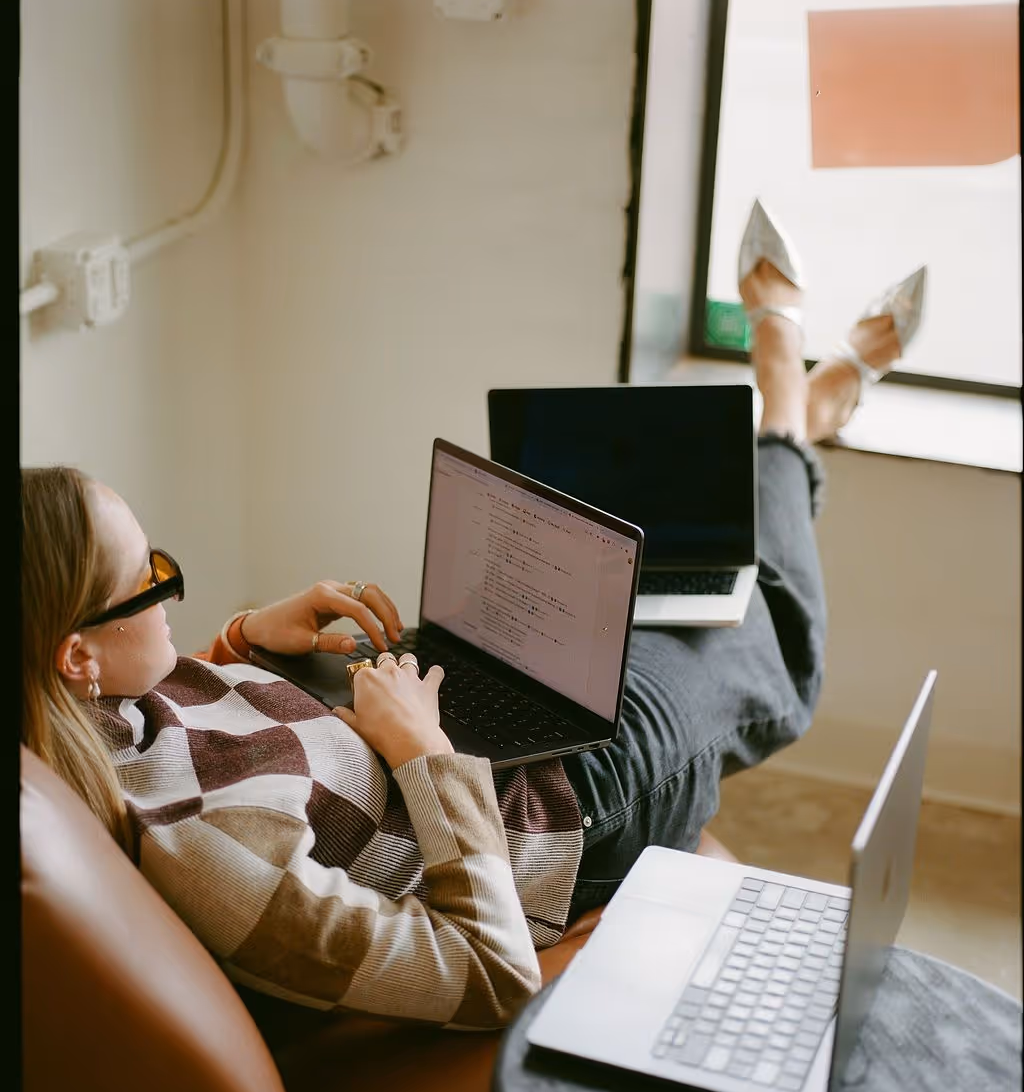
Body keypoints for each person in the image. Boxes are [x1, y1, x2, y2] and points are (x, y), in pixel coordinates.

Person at [20, 201, 926, 1034]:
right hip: (569, 806)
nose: (173, 584)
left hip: (432, 718)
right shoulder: (212, 859)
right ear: (74, 655)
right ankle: (793, 402)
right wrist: (422, 752)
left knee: (642, 578)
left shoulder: (77, 711)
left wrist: (249, 641)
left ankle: (807, 412)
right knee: (760, 636)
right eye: (149, 577)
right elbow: (493, 974)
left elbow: (187, 730)